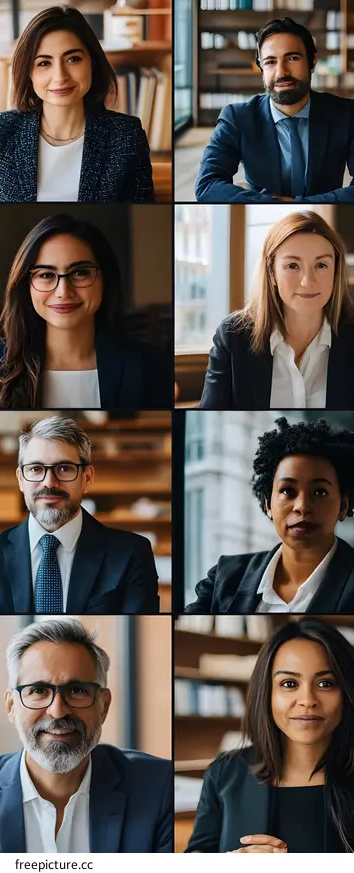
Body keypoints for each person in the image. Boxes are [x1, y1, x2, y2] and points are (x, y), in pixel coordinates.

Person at [0, 617, 172, 852]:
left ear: (104, 706)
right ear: (11, 707)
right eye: (39, 690)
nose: (57, 711)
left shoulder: (158, 787)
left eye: (76, 691)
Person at [0, 416, 159, 614]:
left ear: (87, 478)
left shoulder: (131, 554)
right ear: (21, 480)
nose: (49, 482)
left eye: (64, 468)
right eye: (36, 469)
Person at [0, 213, 169, 409]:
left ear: (105, 279)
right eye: (46, 275)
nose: (63, 292)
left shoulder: (144, 363)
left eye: (80, 273)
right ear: (25, 285)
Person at [186, 619, 354, 852]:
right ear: (266, 692)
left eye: (326, 683)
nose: (307, 700)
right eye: (289, 683)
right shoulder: (225, 772)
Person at [0, 5, 154, 203]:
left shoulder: (126, 135)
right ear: (28, 73)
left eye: (73, 59)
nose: (60, 77)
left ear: (92, 62)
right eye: (43, 63)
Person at [184, 417, 354, 614]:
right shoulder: (225, 576)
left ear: (343, 505)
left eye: (319, 492)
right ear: (268, 504)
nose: (302, 506)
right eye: (288, 491)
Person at [199, 211, 354, 410]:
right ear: (272, 273)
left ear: (336, 271)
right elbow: (212, 422)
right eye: (292, 265)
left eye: (321, 265)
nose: (307, 281)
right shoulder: (233, 336)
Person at [195, 18, 354, 203]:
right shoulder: (237, 118)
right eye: (270, 62)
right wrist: (270, 204)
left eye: (292, 58)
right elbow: (207, 185)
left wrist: (293, 204)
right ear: (261, 68)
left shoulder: (346, 114)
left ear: (312, 62)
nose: (281, 72)